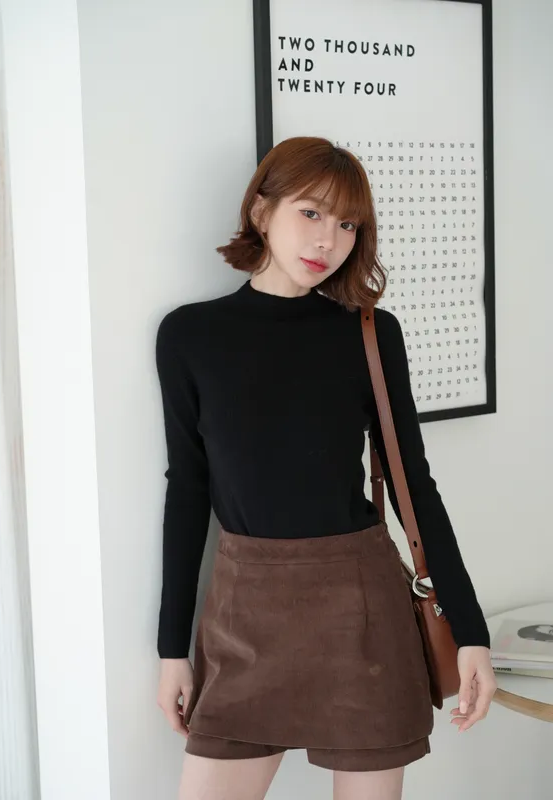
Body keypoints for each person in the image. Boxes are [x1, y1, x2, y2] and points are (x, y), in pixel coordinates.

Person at [155, 136, 497, 800]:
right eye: (310, 213)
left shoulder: (370, 332)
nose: (328, 240)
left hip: (360, 612)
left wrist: (470, 631)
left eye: (347, 224)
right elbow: (188, 491)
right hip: (242, 615)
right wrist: (172, 649)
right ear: (261, 211)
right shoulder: (190, 335)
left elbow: (414, 485)